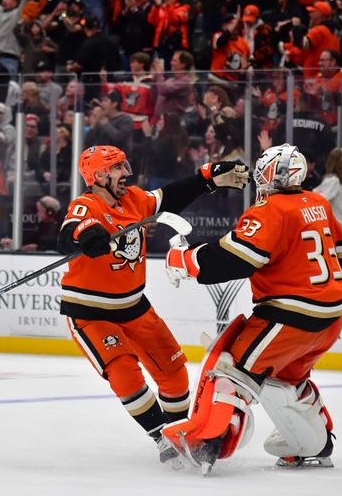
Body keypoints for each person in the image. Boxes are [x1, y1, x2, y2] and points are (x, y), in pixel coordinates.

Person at [162, 143, 342, 470]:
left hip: (287, 318)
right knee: (287, 379)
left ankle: (208, 443)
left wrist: (185, 259)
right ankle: (313, 442)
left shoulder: (271, 209)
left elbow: (235, 260)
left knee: (231, 369)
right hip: (329, 320)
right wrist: (332, 287)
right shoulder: (318, 203)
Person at [56, 145, 249, 466]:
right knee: (125, 374)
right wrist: (84, 236)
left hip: (134, 307)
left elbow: (170, 197)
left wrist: (208, 179)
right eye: (118, 168)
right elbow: (67, 233)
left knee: (174, 374)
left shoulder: (133, 199)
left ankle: (180, 434)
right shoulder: (85, 204)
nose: (126, 173)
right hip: (90, 313)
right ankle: (164, 438)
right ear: (98, 175)